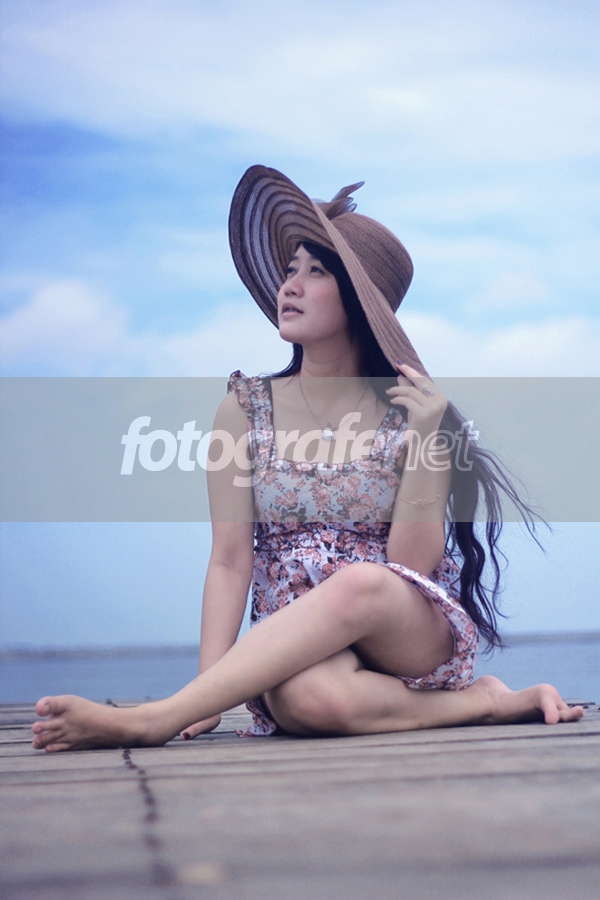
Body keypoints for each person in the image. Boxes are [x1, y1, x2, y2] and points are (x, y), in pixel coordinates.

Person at [31, 166, 583, 752]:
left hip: (402, 625)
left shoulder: (410, 414)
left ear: (359, 299)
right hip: (300, 637)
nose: (289, 285)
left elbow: (410, 567)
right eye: (290, 269)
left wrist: (426, 441)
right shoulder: (244, 408)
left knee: (361, 583)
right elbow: (229, 561)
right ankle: (482, 701)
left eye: (315, 271)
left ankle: (154, 720)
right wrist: (208, 693)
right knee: (305, 700)